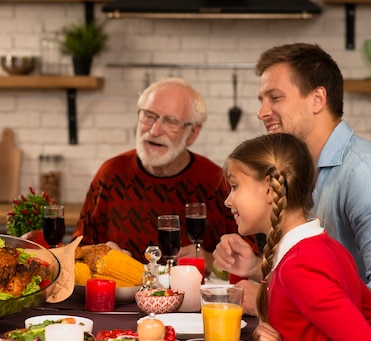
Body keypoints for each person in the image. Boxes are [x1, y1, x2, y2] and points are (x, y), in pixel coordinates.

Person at [213, 42, 371, 341]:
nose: (261, 112)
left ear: (317, 98)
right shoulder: (318, 238)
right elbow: (352, 302)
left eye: (275, 97)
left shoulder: (368, 173)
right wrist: (265, 273)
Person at [72, 77, 248, 267]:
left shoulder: (216, 181)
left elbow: (251, 259)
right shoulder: (111, 174)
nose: (155, 130)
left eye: (171, 122)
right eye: (149, 116)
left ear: (193, 133)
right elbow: (77, 251)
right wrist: (101, 253)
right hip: (120, 295)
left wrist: (211, 259)